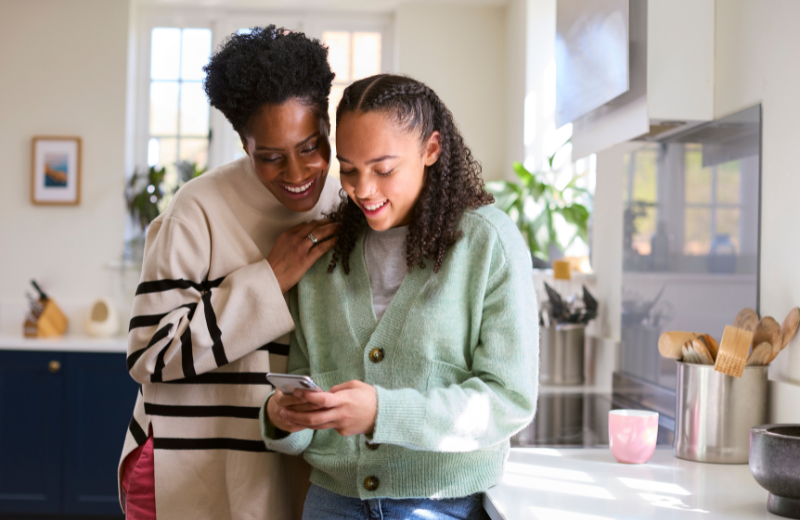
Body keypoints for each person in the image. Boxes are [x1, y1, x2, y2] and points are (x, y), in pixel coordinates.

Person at [261, 74, 539, 520]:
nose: (363, 190)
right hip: (332, 505)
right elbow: (302, 384)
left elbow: (509, 400)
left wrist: (382, 412)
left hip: (442, 505)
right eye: (348, 170)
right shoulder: (324, 257)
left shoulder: (488, 243)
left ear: (430, 150)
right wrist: (283, 417)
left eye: (383, 169)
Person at [118, 26, 341, 520]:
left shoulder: (350, 202)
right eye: (270, 157)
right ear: (244, 144)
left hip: (294, 474)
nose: (298, 173)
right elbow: (148, 354)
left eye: (310, 147)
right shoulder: (197, 209)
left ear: (327, 125)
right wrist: (268, 280)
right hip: (191, 469)